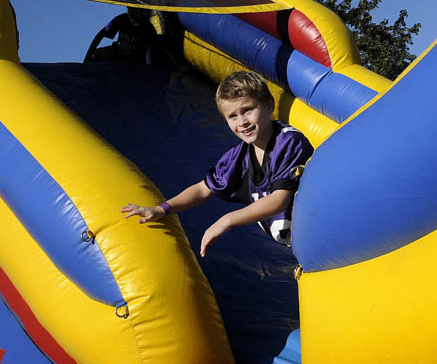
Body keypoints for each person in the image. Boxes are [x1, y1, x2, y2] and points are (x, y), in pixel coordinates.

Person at [121, 71, 314, 256]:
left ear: (269, 105)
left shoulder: (288, 142)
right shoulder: (238, 156)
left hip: (316, 233)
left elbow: (279, 200)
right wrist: (161, 209)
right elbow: (202, 189)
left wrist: (227, 220)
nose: (242, 122)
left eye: (247, 110)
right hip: (299, 245)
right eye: (233, 116)